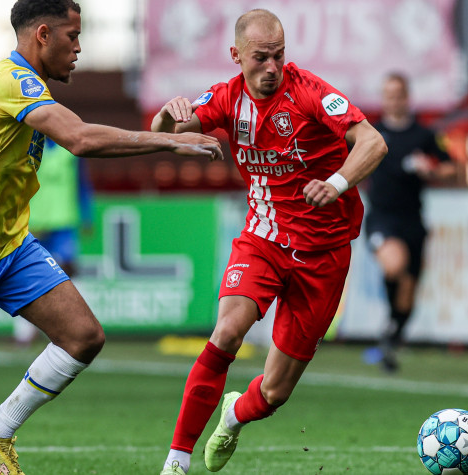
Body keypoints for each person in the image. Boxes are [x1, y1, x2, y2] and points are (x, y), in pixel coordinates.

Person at [0, 1, 222, 474]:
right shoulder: (13, 81)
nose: (79, 47)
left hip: (10, 246)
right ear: (42, 34)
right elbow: (78, 139)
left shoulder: (6, 83)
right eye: (72, 36)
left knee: (84, 337)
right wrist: (169, 140)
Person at [150, 9, 387, 474]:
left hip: (324, 254)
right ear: (236, 56)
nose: (272, 68)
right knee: (227, 332)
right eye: (260, 58)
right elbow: (160, 138)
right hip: (264, 238)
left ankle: (235, 414)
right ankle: (176, 462)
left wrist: (336, 183)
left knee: (275, 392)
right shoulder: (225, 99)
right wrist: (163, 116)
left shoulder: (311, 93)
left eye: (278, 56)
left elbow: (373, 142)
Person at [364, 73, 456, 373]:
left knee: (409, 288)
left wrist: (430, 168)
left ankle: (392, 333)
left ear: (406, 97)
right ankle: (391, 332)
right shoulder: (372, 133)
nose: (393, 100)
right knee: (394, 265)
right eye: (387, 94)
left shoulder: (424, 135)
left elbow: (451, 168)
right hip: (382, 217)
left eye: (398, 94)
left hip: (412, 220)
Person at [13, 136, 92, 346]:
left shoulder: (70, 150)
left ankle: (78, 324)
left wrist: (87, 215)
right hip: (35, 221)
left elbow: (82, 183)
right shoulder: (27, 149)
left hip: (64, 219)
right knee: (28, 274)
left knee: (69, 270)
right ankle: (24, 331)